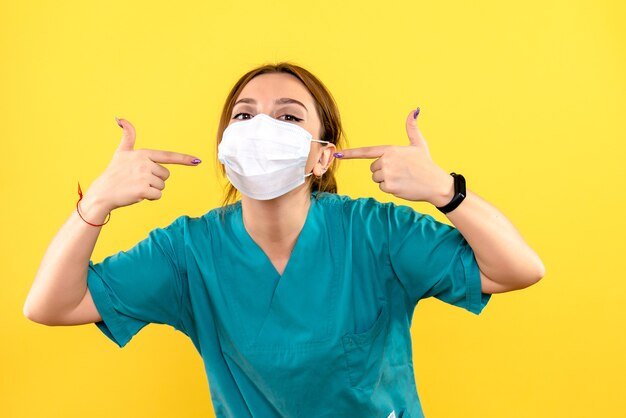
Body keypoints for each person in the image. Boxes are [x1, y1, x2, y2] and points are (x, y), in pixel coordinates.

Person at [24, 62, 545, 418]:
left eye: (289, 116)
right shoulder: (188, 253)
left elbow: (518, 268)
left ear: (323, 154)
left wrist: (444, 190)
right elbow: (51, 305)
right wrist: (95, 205)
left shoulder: (375, 233)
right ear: (226, 145)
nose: (259, 128)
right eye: (244, 116)